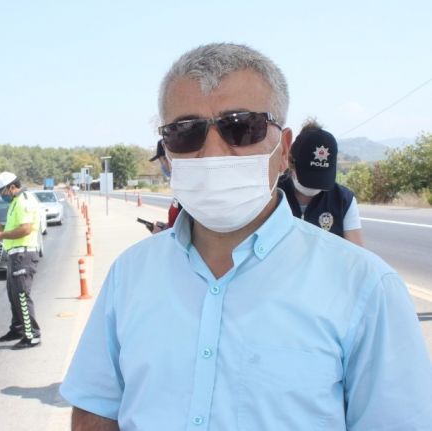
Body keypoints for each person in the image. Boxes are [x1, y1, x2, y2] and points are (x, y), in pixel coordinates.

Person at [60, 43, 432, 430]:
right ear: (167, 153)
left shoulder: (366, 288)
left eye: (242, 127)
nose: (213, 154)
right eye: (185, 132)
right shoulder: (129, 275)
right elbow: (95, 408)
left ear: (283, 150)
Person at [278, 121, 363, 245]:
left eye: (321, 177)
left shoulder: (343, 200)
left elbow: (356, 251)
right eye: (309, 175)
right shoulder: (274, 193)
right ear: (291, 161)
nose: (314, 185)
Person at [0, 171, 42, 349]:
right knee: (13, 295)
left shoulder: (23, 201)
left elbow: (25, 229)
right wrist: (1, 228)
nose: (1, 196)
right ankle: (18, 329)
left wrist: (1, 235)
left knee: (21, 296)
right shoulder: (15, 202)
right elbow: (15, 228)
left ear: (12, 187)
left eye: (2, 191)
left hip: (23, 255)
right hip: (14, 255)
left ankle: (32, 336)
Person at [147, 139, 181, 234]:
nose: (162, 165)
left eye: (161, 161)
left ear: (167, 158)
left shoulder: (185, 191)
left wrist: (163, 234)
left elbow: (187, 232)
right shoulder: (179, 188)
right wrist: (166, 226)